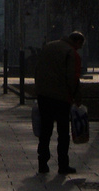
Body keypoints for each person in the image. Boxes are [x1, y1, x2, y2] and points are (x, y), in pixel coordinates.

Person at [33, 31, 84, 176]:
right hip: (61, 97)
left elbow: (37, 69)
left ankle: (42, 162)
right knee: (63, 132)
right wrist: (76, 96)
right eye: (79, 46)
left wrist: (38, 89)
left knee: (45, 130)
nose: (79, 49)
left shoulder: (48, 46)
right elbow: (72, 77)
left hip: (44, 95)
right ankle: (63, 165)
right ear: (77, 42)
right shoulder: (71, 53)